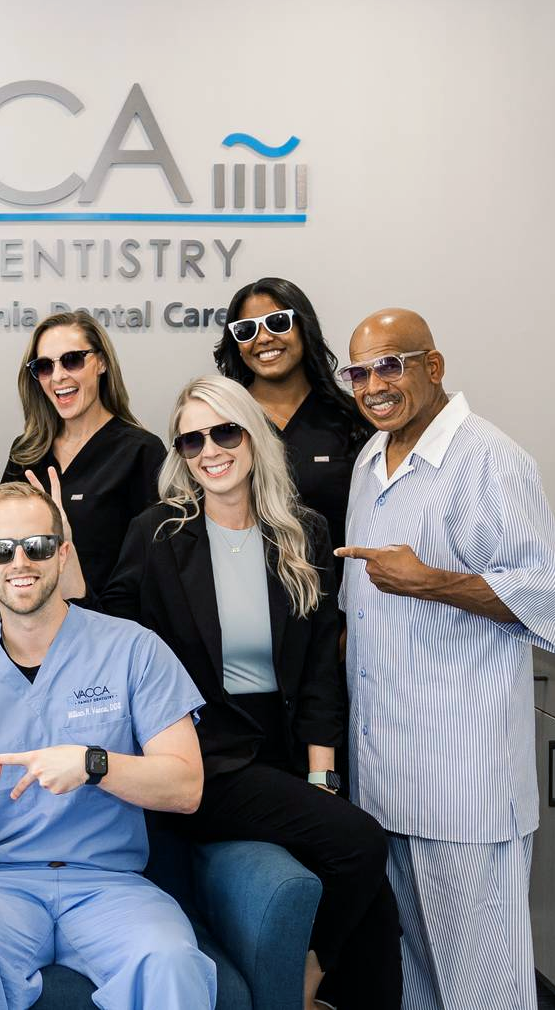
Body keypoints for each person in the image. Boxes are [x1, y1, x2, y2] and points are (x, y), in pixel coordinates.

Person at [96, 375, 401, 1010]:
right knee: (363, 844)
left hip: (281, 753)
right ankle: (303, 984)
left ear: (253, 436)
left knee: (373, 895)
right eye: (191, 440)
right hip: (206, 759)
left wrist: (322, 779)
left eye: (225, 431)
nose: (210, 450)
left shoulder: (304, 533)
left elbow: (320, 667)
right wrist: (71, 583)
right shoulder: (157, 533)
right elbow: (110, 639)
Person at [0, 482, 213, 1010]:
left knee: (171, 960)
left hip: (110, 885)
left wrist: (93, 764)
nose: (20, 561)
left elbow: (186, 786)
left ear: (62, 553)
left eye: (37, 545)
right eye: (0, 550)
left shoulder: (134, 650)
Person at [333, 309, 555, 1010]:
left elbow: (546, 594)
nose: (373, 384)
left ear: (432, 367)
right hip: (385, 775)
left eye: (390, 365)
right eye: (359, 371)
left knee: (482, 986)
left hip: (460, 779)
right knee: (413, 980)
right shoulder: (369, 459)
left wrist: (428, 580)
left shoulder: (490, 459)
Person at [1, 311, 164, 597]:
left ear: (101, 362)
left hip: (111, 630)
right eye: (44, 366)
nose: (58, 376)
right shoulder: (26, 453)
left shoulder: (141, 451)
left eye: (72, 360)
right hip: (30, 628)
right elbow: (1, 542)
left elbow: (154, 565)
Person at [214, 278, 371, 542]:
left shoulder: (353, 419)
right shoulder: (221, 422)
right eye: (246, 330)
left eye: (277, 323)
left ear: (303, 328)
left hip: (336, 581)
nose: (263, 338)